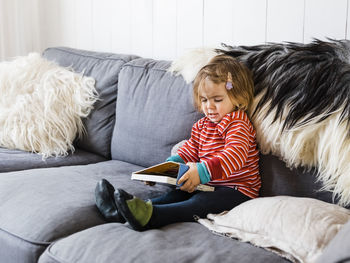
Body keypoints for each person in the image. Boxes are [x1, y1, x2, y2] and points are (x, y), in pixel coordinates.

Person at [95, 54, 261, 231]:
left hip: (236, 191)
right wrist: (167, 168)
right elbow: (190, 150)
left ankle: (153, 217)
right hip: (206, 184)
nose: (209, 107)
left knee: (199, 202)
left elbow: (234, 156)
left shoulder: (238, 124)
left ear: (239, 99)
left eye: (217, 100)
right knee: (176, 194)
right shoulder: (202, 125)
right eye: (204, 100)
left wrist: (202, 171)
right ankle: (122, 211)